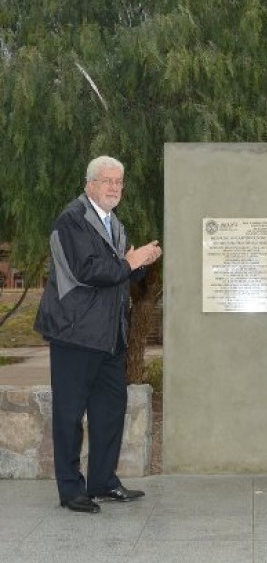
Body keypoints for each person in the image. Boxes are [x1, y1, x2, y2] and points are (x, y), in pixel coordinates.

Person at [34, 155, 162, 514]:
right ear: (89, 183)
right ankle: (71, 490)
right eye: (107, 181)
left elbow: (118, 277)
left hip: (109, 337)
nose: (114, 188)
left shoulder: (113, 223)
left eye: (119, 182)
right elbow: (88, 270)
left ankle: (103, 481)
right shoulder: (71, 220)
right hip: (75, 335)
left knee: (109, 410)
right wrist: (130, 263)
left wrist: (139, 264)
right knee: (70, 414)